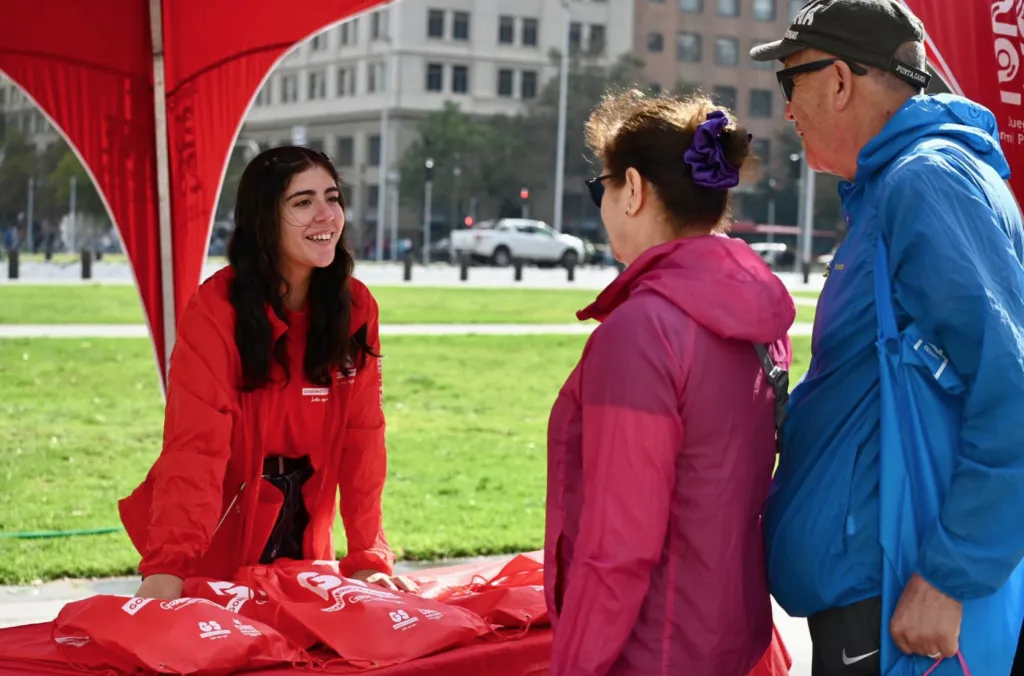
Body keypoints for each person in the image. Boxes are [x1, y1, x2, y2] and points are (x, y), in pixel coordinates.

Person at [751, 0, 1024, 673]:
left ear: (840, 80)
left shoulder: (924, 182)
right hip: (880, 597)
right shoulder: (902, 185)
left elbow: (1012, 387)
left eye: (792, 82)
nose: (788, 110)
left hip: (903, 609)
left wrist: (950, 575)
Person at [544, 90, 796, 675]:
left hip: (649, 650)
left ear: (632, 189)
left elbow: (618, 546)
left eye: (599, 187)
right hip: (730, 639)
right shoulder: (756, 320)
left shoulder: (641, 333)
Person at [119, 146, 413, 599]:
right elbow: (196, 446)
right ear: (264, 218)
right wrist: (168, 568)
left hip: (302, 541)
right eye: (302, 202)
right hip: (215, 543)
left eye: (332, 198)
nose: (326, 216)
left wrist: (366, 559)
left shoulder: (355, 306)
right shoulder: (216, 310)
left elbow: (364, 439)